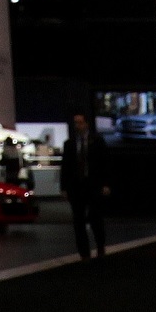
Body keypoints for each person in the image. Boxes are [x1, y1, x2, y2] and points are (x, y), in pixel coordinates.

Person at [60, 110, 108, 259]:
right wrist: (64, 188)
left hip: (93, 185)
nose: (77, 126)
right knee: (78, 221)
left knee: (95, 218)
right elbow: (65, 167)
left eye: (80, 122)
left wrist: (106, 184)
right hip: (76, 187)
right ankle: (84, 254)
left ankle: (100, 247)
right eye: (75, 123)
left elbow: (105, 164)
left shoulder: (98, 141)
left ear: (86, 124)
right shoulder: (69, 144)